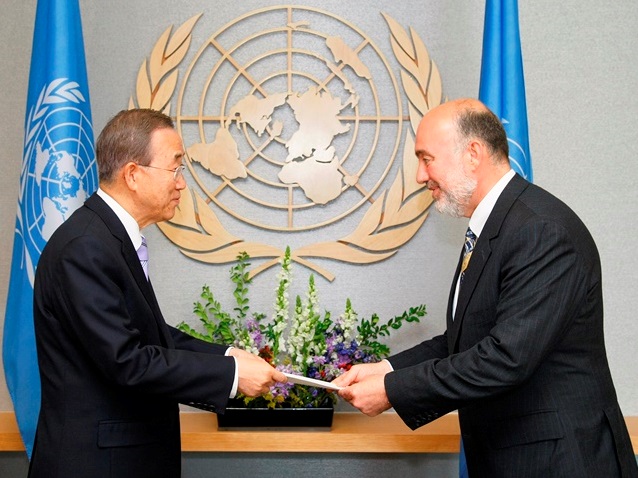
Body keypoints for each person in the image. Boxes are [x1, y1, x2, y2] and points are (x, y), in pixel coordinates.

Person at [333, 98, 638, 477]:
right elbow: (465, 340)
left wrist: (394, 389)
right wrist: (385, 368)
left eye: (426, 158)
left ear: (473, 154)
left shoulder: (540, 230)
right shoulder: (497, 226)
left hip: (559, 462)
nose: (419, 176)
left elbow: (505, 357)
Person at [29, 108, 286, 478]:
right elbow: (127, 361)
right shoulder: (85, 246)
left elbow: (152, 336)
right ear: (133, 174)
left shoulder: (106, 237)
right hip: (98, 465)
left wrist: (231, 356)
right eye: (175, 168)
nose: (182, 183)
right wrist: (230, 374)